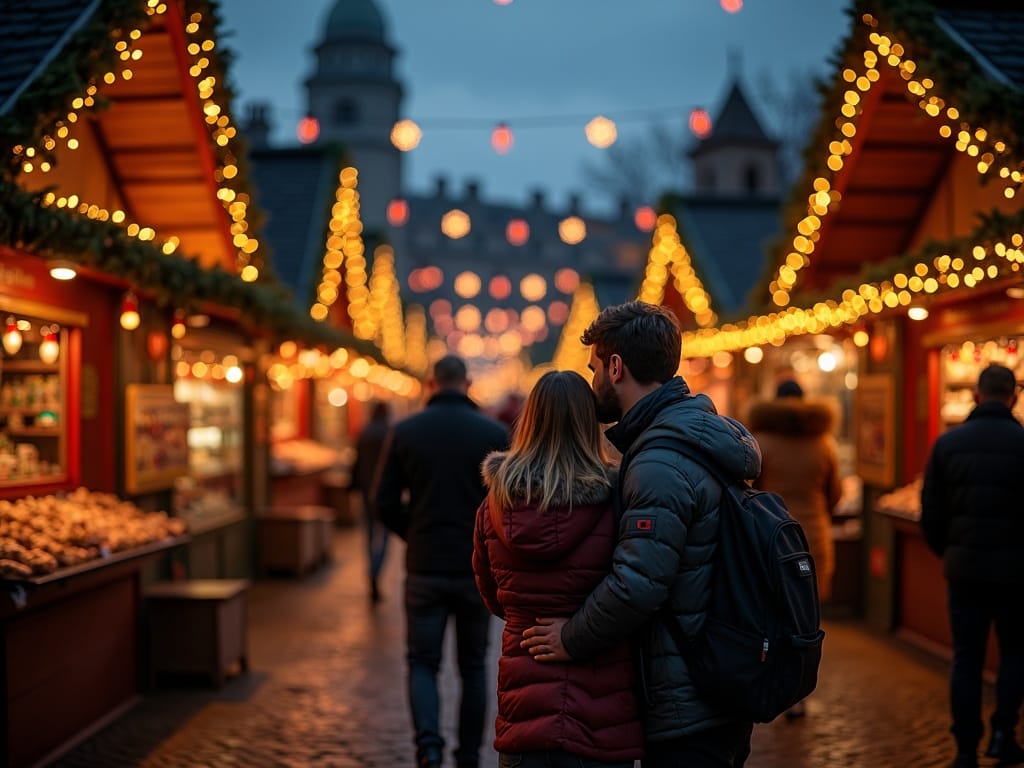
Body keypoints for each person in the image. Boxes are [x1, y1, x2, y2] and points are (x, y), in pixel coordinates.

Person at [521, 301, 762, 768]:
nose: (592, 384)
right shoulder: (697, 431)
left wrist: (570, 637)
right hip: (717, 674)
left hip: (686, 695)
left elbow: (638, 584)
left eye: (593, 368)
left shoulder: (658, 461)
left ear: (616, 367)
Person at [473, 370, 644, 768]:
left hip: (524, 713)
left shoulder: (494, 505)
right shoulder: (619, 503)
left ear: (529, 421)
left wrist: (529, 613)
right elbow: (634, 589)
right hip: (602, 718)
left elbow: (492, 594)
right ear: (590, 424)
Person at [375, 355, 509, 768]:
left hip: (425, 563)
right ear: (467, 383)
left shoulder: (405, 431)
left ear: (432, 383)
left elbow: (381, 501)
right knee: (473, 666)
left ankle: (428, 749)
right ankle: (468, 756)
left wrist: (412, 531)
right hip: (477, 569)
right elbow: (509, 505)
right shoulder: (494, 432)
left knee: (422, 662)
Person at [921, 363, 1024, 768]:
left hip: (964, 571)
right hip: (1016, 573)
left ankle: (965, 749)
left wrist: (949, 552)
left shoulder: (949, 445)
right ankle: (1004, 734)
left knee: (966, 659)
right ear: (1013, 397)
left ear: (978, 396)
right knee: (1016, 654)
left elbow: (932, 512)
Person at [351, 400, 392, 603]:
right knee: (383, 535)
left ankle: (371, 570)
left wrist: (353, 485)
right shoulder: (390, 432)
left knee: (368, 534)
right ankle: (376, 571)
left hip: (366, 490)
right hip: (385, 492)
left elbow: (356, 462)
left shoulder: (365, 432)